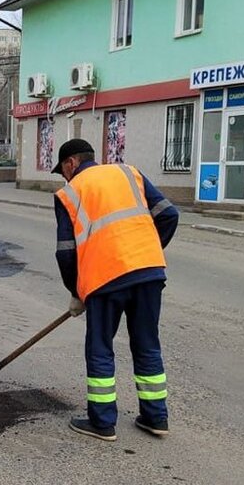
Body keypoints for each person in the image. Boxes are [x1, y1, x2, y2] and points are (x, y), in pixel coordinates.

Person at [52, 138, 179, 442]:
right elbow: (169, 215)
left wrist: (77, 291)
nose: (64, 177)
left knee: (100, 347)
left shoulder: (70, 192)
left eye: (63, 170)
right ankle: (155, 417)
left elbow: (66, 253)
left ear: (71, 163)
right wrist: (143, 252)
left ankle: (102, 422)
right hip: (148, 272)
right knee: (147, 344)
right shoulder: (129, 173)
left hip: (105, 279)